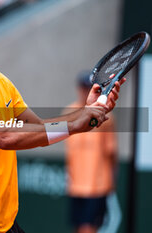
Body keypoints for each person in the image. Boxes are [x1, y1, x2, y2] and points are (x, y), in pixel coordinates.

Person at [0, 15, 124, 233]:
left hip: (4, 223)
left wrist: (84, 114)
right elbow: (4, 137)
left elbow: (37, 129)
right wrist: (75, 124)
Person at [64, 71, 118, 233]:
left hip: (97, 184)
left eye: (90, 88)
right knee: (79, 227)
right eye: (84, 87)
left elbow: (111, 152)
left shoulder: (105, 116)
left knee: (87, 229)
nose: (86, 92)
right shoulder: (69, 112)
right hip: (75, 185)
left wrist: (112, 181)